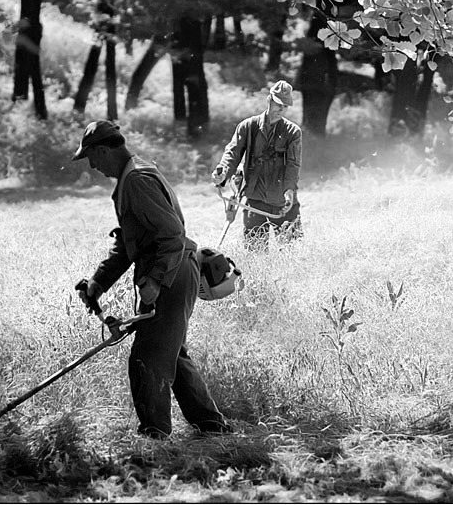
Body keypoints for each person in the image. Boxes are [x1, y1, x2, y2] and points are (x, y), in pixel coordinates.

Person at [71, 120, 230, 439]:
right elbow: (128, 243)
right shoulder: (134, 173)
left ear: (103, 150)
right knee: (170, 352)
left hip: (171, 271)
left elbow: (171, 235)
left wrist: (155, 280)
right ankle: (211, 426)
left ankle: (154, 437)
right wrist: (98, 282)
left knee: (147, 358)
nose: (92, 166)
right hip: (172, 269)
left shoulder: (137, 180)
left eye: (91, 157)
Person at [211, 80, 303, 249]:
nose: (281, 110)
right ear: (269, 100)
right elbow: (232, 153)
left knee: (292, 252)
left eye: (285, 107)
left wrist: (289, 191)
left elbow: (293, 164)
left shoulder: (292, 132)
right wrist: (223, 173)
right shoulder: (248, 126)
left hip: (283, 201)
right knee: (255, 252)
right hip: (254, 200)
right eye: (278, 105)